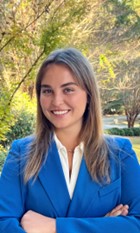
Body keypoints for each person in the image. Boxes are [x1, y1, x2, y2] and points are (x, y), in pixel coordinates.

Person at [0, 48, 140, 233]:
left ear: (88, 94)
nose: (57, 101)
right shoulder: (21, 154)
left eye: (68, 89)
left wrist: (54, 226)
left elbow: (137, 223)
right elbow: (4, 224)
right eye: (47, 91)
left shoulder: (120, 153)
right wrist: (105, 225)